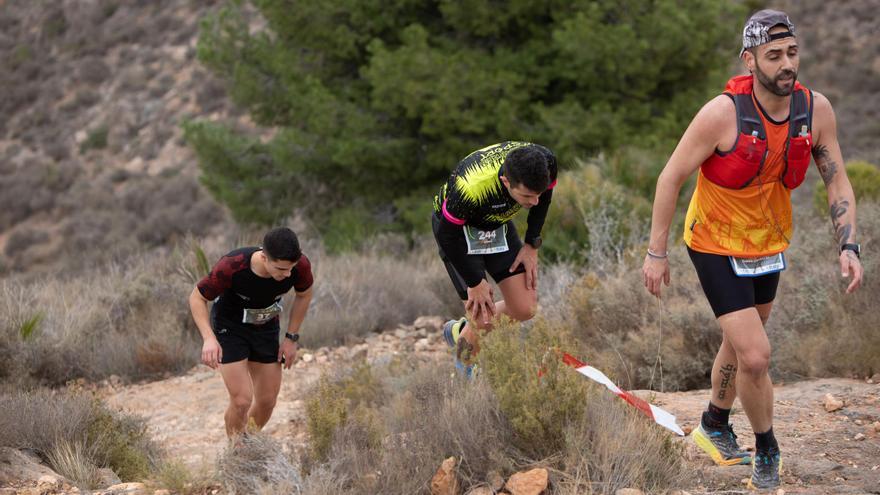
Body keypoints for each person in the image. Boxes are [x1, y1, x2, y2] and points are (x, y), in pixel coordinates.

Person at [641, 9, 863, 490]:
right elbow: (670, 177)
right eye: (774, 55)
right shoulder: (722, 113)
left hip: (768, 241)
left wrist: (849, 244)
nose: (787, 64)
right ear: (750, 60)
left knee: (741, 341)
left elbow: (836, 177)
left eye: (792, 53)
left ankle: (714, 426)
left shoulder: (814, 110)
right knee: (756, 355)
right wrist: (656, 254)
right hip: (714, 241)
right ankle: (767, 450)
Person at [432, 141, 557, 376]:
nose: (534, 202)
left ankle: (461, 331)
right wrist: (475, 282)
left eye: (538, 194)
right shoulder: (470, 188)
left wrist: (532, 245)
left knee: (525, 308)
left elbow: (545, 198)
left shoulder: (546, 162)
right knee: (482, 318)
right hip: (458, 233)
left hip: (496, 225)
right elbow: (446, 236)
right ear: (506, 182)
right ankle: (463, 376)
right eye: (528, 195)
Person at [188, 227, 314, 437]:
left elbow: (305, 295)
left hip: (265, 327)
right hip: (230, 327)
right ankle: (235, 451)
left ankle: (248, 443)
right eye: (281, 269)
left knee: (267, 401)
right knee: (242, 400)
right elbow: (197, 297)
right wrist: (209, 338)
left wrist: (291, 338)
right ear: (264, 257)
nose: (287, 274)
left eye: (291, 268)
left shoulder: (299, 266)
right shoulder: (233, 265)